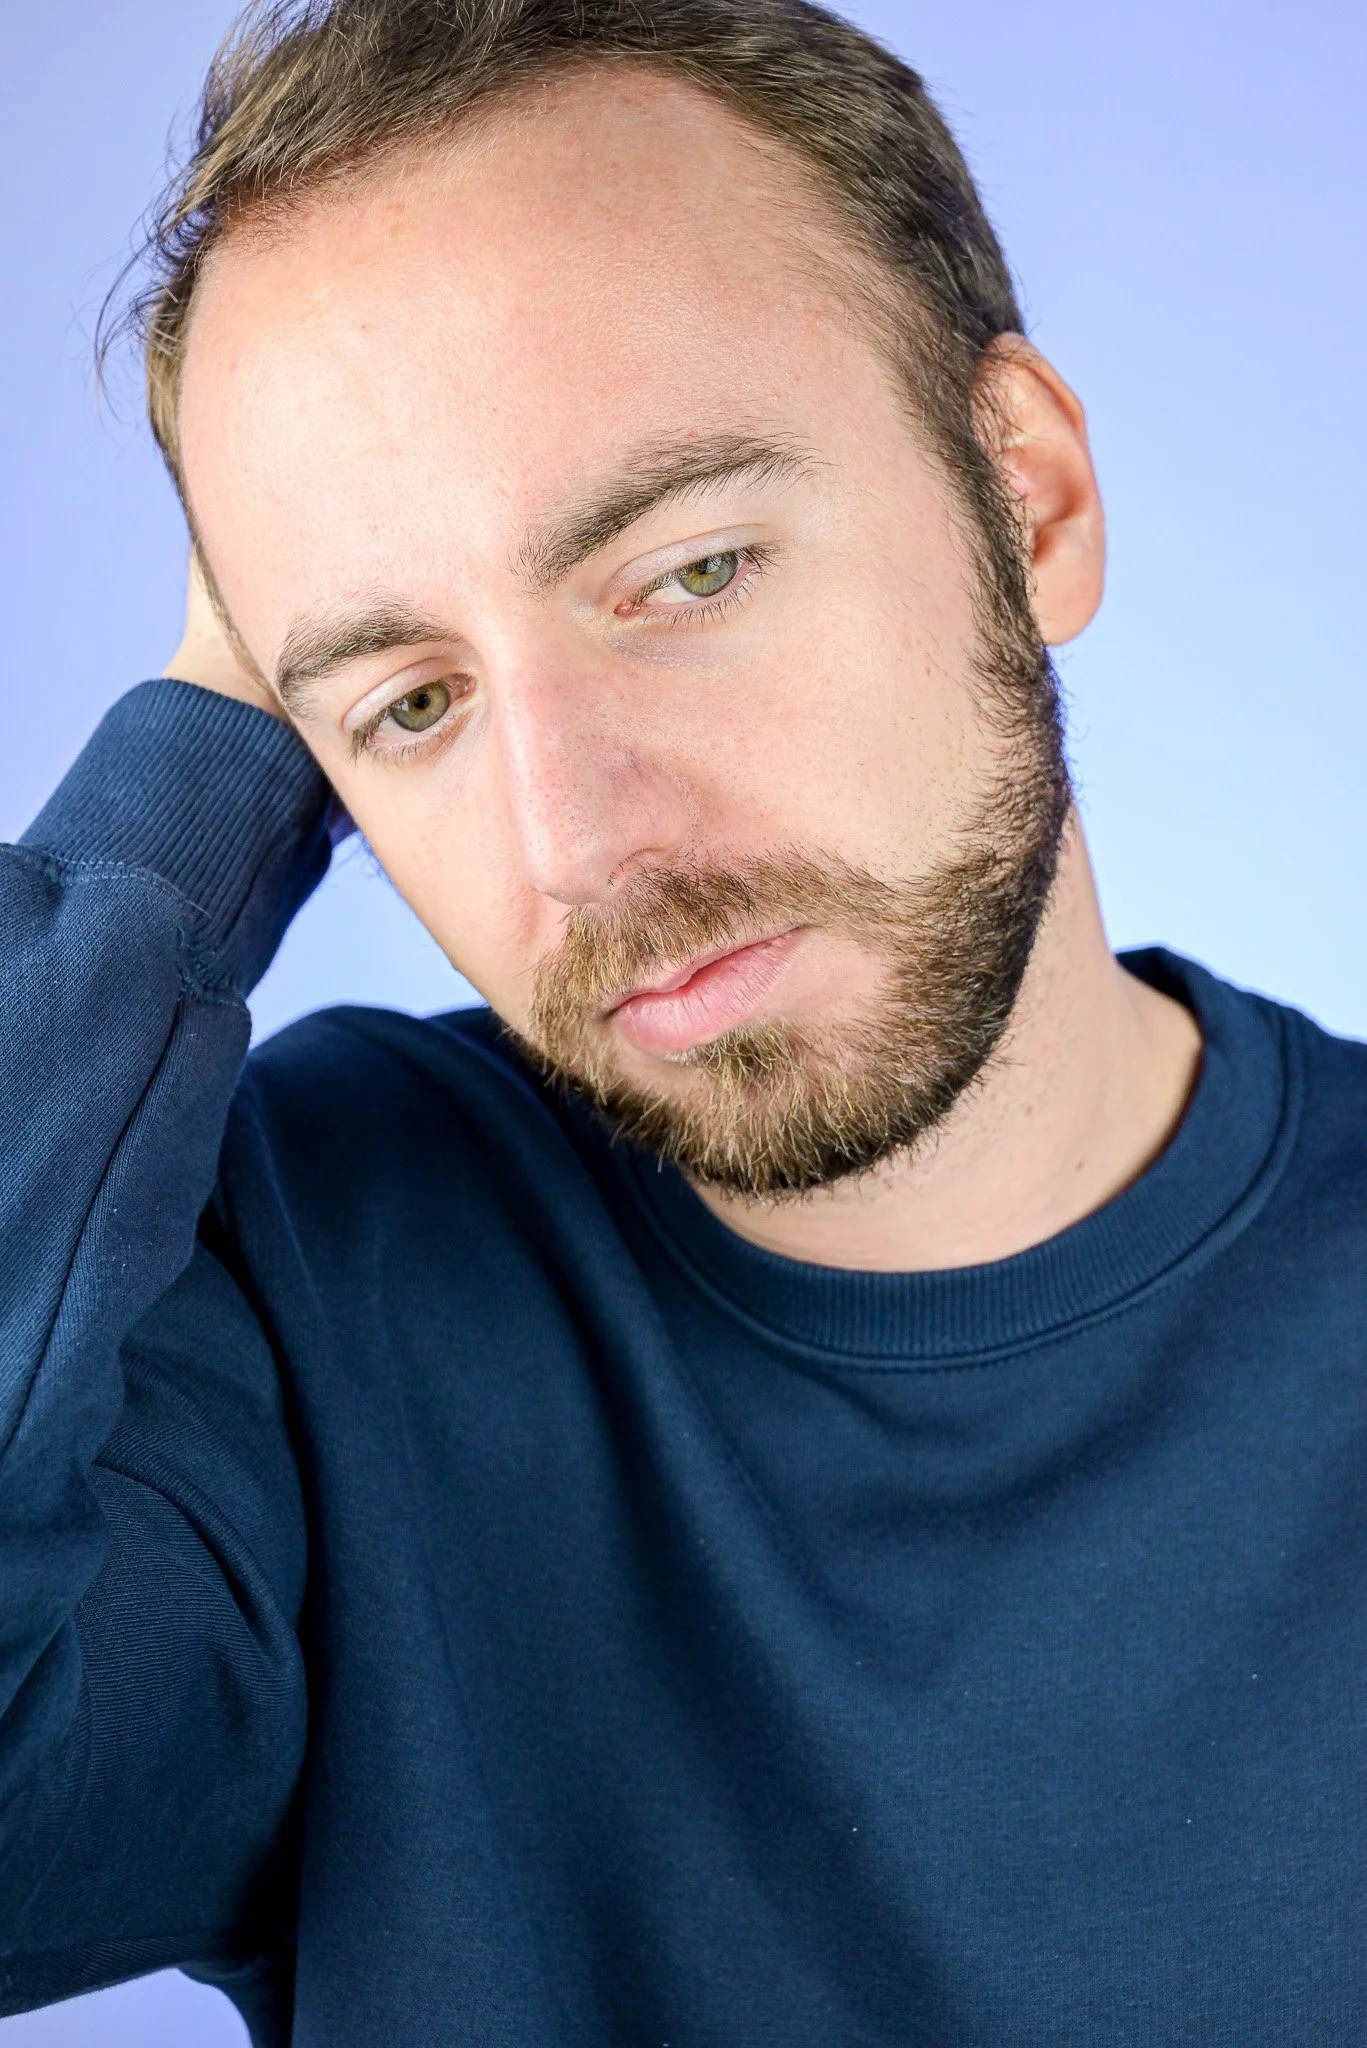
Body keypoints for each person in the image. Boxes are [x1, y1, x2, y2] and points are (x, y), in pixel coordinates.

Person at [2, 0, 1364, 2039]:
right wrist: (172, 814)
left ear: (1026, 500)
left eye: (689, 570)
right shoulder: (292, 1277)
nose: (578, 844)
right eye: (409, 704)